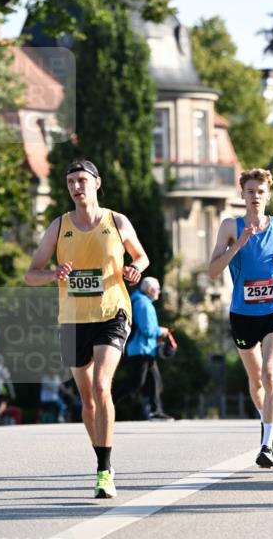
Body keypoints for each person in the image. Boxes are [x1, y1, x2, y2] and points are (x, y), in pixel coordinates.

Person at [25, 159, 149, 499]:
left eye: (82, 180)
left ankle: (104, 471)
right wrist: (52, 275)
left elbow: (141, 257)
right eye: (71, 183)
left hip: (112, 313)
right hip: (73, 319)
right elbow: (31, 274)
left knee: (100, 385)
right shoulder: (59, 226)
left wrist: (135, 269)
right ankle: (102, 459)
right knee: (88, 401)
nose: (76, 187)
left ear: (97, 182)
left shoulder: (116, 221)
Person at [208, 168, 273, 468]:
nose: (255, 197)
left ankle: (267, 443)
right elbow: (213, 271)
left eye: (260, 192)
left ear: (268, 195)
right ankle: (266, 421)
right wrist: (238, 244)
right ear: (242, 195)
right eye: (250, 191)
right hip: (243, 314)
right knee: (256, 379)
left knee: (270, 375)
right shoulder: (230, 225)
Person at [115, 276, 173, 421]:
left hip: (145, 349)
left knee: (155, 382)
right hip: (141, 349)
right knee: (136, 383)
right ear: (151, 290)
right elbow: (147, 329)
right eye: (158, 289)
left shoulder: (140, 301)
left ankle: (156, 411)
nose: (159, 292)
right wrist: (162, 331)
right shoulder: (143, 304)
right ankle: (106, 402)